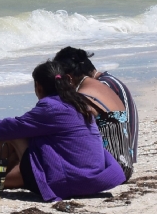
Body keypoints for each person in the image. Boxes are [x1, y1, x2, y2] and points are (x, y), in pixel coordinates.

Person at [0, 60, 124, 203]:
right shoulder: (78, 103)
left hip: (72, 181)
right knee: (29, 135)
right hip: (94, 179)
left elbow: (8, 129)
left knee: (10, 136)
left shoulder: (50, 107)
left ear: (38, 87)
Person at [51, 46, 137, 178]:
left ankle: (7, 178)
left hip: (111, 166)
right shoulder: (104, 84)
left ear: (68, 78)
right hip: (125, 159)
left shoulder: (90, 93)